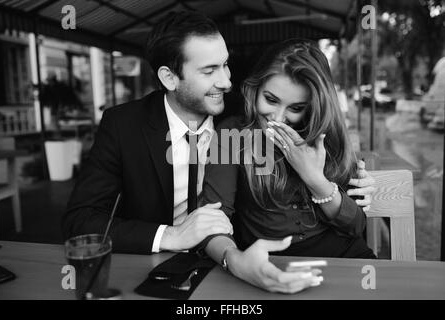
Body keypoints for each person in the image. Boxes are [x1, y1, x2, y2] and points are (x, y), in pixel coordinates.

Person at [62, 12, 374, 291]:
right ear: (169, 78)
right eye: (210, 70)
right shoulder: (124, 125)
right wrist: (171, 235)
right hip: (165, 266)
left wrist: (341, 187)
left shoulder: (250, 114)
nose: (226, 81)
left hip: (243, 262)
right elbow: (81, 221)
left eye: (225, 65)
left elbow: (350, 210)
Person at [201, 39, 377, 293]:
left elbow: (356, 227)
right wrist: (235, 260)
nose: (278, 118)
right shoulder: (232, 133)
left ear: (312, 107)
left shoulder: (326, 136)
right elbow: (213, 220)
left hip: (345, 260)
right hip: (271, 263)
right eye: (271, 99)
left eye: (295, 108)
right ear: (255, 88)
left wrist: (314, 178)